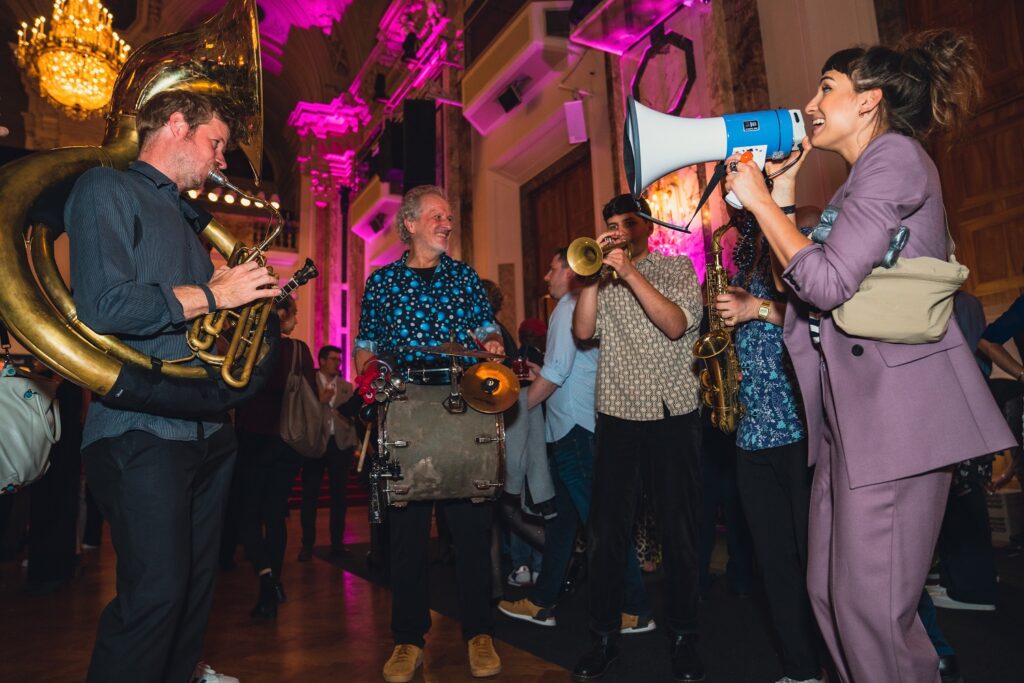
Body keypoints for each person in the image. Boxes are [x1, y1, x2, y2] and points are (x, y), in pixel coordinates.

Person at [724, 30, 1014, 682]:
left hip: (894, 421)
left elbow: (827, 284)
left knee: (871, 610)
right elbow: (807, 284)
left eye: (827, 87)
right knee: (830, 597)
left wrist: (761, 201)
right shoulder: (858, 184)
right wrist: (783, 197)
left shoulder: (896, 158)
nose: (811, 102)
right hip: (849, 421)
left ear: (869, 100)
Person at [66, 90, 278, 683]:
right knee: (154, 594)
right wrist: (215, 293)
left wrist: (236, 303)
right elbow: (106, 305)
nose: (221, 160)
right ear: (177, 125)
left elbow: (193, 321)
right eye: (216, 143)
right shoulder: (106, 188)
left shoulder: (188, 219)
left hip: (207, 427)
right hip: (141, 429)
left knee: (194, 590)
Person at [354, 184, 505, 683]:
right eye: (436, 216)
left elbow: (486, 328)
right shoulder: (381, 283)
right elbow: (365, 345)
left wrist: (491, 342)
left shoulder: (464, 277)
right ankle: (407, 640)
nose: (446, 223)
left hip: (461, 404)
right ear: (410, 223)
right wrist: (369, 374)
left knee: (471, 529)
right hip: (405, 409)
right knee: (407, 536)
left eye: (449, 217)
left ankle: (479, 633)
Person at [571, 194, 705, 682]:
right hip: (619, 414)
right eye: (610, 224)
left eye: (626, 223)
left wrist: (629, 272)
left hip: (673, 414)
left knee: (679, 534)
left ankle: (684, 636)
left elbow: (674, 325)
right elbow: (583, 331)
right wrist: (592, 277)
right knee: (605, 536)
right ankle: (604, 637)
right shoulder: (601, 280)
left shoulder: (675, 269)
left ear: (646, 226)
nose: (616, 231)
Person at [498, 246, 653, 633]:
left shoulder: (568, 307)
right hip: (576, 429)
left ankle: (635, 608)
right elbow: (568, 368)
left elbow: (556, 373)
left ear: (570, 271)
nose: (546, 277)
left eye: (552, 269)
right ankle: (542, 602)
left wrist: (513, 414)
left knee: (602, 524)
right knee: (562, 525)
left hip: (575, 432)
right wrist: (539, 374)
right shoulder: (576, 306)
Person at [714, 210, 823, 683]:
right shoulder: (743, 267)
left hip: (801, 430)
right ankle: (800, 668)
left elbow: (821, 321)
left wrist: (754, 308)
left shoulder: (802, 242)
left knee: (817, 558)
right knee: (774, 562)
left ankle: (838, 662)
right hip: (751, 435)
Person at [234, 296, 314, 618]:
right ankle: (275, 581)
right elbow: (309, 394)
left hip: (253, 438)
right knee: (275, 514)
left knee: (247, 516)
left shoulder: (248, 346)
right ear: (282, 314)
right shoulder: (299, 350)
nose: (297, 320)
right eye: (294, 314)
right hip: (287, 440)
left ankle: (266, 577)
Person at [298, 344, 358, 562]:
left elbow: (352, 417)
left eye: (339, 360)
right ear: (322, 361)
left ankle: (337, 544)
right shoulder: (309, 383)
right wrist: (319, 401)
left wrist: (354, 444)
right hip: (315, 443)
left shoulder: (346, 386)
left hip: (340, 445)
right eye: (333, 359)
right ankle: (307, 544)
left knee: (339, 496)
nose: (337, 363)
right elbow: (301, 410)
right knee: (310, 495)